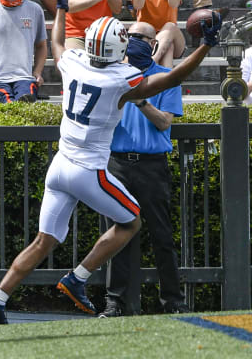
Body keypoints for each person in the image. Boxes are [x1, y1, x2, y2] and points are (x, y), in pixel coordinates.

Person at [0, 0, 221, 325]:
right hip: (89, 169)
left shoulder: (74, 62)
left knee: (43, 240)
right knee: (131, 221)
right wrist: (205, 47)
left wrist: (61, 8)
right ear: (119, 49)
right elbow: (171, 78)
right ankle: (78, 278)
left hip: (59, 166)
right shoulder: (121, 79)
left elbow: (58, 41)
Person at [98, 21, 188, 318]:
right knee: (118, 235)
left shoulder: (166, 78)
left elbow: (164, 122)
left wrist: (140, 101)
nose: (134, 40)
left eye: (141, 37)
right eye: (130, 36)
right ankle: (115, 302)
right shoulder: (113, 76)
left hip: (151, 166)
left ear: (153, 44)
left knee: (162, 236)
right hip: (118, 164)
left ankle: (173, 302)